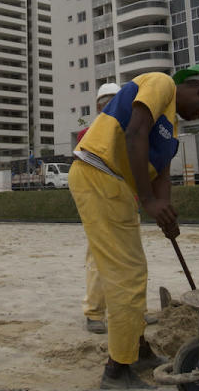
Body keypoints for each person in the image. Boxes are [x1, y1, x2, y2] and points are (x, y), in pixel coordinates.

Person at [71, 64, 199, 389]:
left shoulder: (173, 126)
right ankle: (117, 371)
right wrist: (148, 200)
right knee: (126, 274)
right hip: (100, 174)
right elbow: (135, 133)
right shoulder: (161, 84)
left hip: (116, 186)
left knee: (134, 270)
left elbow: (163, 176)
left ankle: (136, 350)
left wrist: (164, 210)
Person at [76, 82, 121, 335]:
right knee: (97, 257)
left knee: (132, 260)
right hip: (98, 202)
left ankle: (134, 310)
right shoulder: (88, 134)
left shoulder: (130, 130)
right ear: (97, 107)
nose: (110, 106)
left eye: (115, 101)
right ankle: (94, 312)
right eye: (107, 102)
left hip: (125, 200)